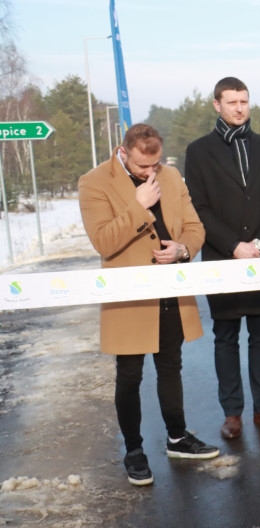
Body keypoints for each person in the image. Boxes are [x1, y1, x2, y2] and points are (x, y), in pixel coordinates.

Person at [79, 123, 219, 486]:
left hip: (170, 288)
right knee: (129, 375)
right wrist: (138, 205)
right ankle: (134, 450)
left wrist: (183, 249)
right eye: (143, 167)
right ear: (122, 151)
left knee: (171, 366)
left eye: (155, 165)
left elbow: (195, 226)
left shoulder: (171, 176)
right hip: (129, 297)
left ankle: (177, 438)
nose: (150, 173)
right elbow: (104, 242)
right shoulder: (94, 182)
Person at [185, 76, 260, 440]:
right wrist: (233, 245)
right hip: (222, 258)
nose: (239, 108)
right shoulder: (199, 152)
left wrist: (259, 243)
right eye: (231, 102)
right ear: (217, 104)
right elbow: (198, 207)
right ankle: (232, 413)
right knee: (225, 337)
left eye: (244, 101)